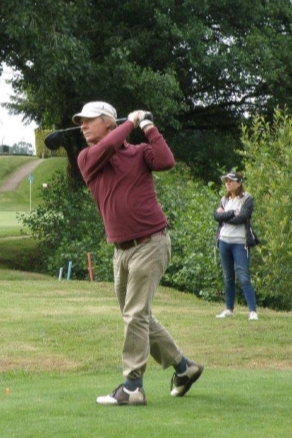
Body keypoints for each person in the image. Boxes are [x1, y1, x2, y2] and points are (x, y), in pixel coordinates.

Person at [73, 101, 204, 406]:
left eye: (89, 120)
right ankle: (184, 368)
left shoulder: (139, 153)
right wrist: (130, 123)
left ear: (108, 121)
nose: (82, 126)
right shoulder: (87, 158)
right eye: (81, 121)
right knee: (137, 315)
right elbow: (108, 146)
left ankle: (133, 387)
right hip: (120, 251)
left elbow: (166, 159)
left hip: (150, 242)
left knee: (134, 315)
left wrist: (147, 125)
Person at [213, 172, 259, 321]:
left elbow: (242, 218)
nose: (228, 183)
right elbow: (216, 216)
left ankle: (252, 311)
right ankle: (229, 309)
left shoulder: (247, 198)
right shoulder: (224, 199)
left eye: (231, 181)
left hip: (239, 243)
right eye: (226, 181)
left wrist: (225, 215)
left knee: (244, 277)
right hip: (224, 241)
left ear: (239, 183)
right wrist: (231, 213)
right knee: (228, 277)